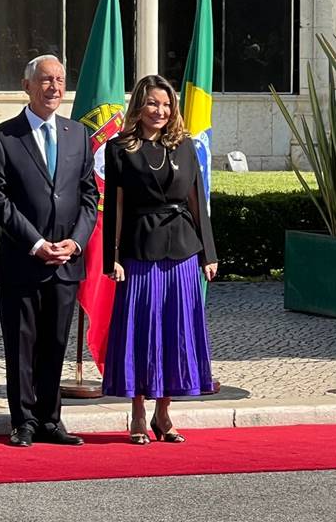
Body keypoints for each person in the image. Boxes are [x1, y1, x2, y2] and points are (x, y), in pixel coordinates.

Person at [0, 54, 99, 447]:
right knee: (21, 345)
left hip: (67, 262)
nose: (54, 87)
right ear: (27, 85)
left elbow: (89, 197)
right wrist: (36, 243)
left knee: (56, 344)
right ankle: (24, 421)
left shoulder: (77, 135)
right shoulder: (3, 137)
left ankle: (51, 420)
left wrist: (76, 242)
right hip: (22, 261)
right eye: (46, 80)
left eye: (60, 80)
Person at [101, 74, 218, 445]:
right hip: (139, 249)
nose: (160, 111)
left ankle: (163, 413)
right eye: (153, 103)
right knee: (141, 330)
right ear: (139, 105)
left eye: (166, 105)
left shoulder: (184, 145)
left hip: (182, 250)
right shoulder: (120, 148)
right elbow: (115, 206)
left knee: (175, 332)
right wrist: (112, 257)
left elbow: (197, 199)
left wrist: (208, 254)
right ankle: (137, 412)